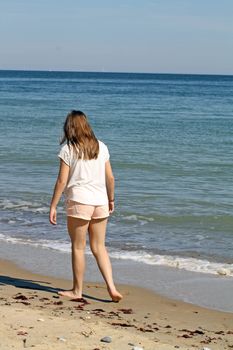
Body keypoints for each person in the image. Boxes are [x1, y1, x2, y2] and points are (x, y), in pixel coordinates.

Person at [49, 110, 122, 302]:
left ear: (69, 127)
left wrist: (53, 206)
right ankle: (112, 288)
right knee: (99, 247)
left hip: (79, 201)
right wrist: (111, 199)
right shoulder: (101, 147)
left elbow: (61, 181)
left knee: (78, 247)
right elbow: (111, 178)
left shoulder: (68, 149)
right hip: (100, 202)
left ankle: (77, 290)